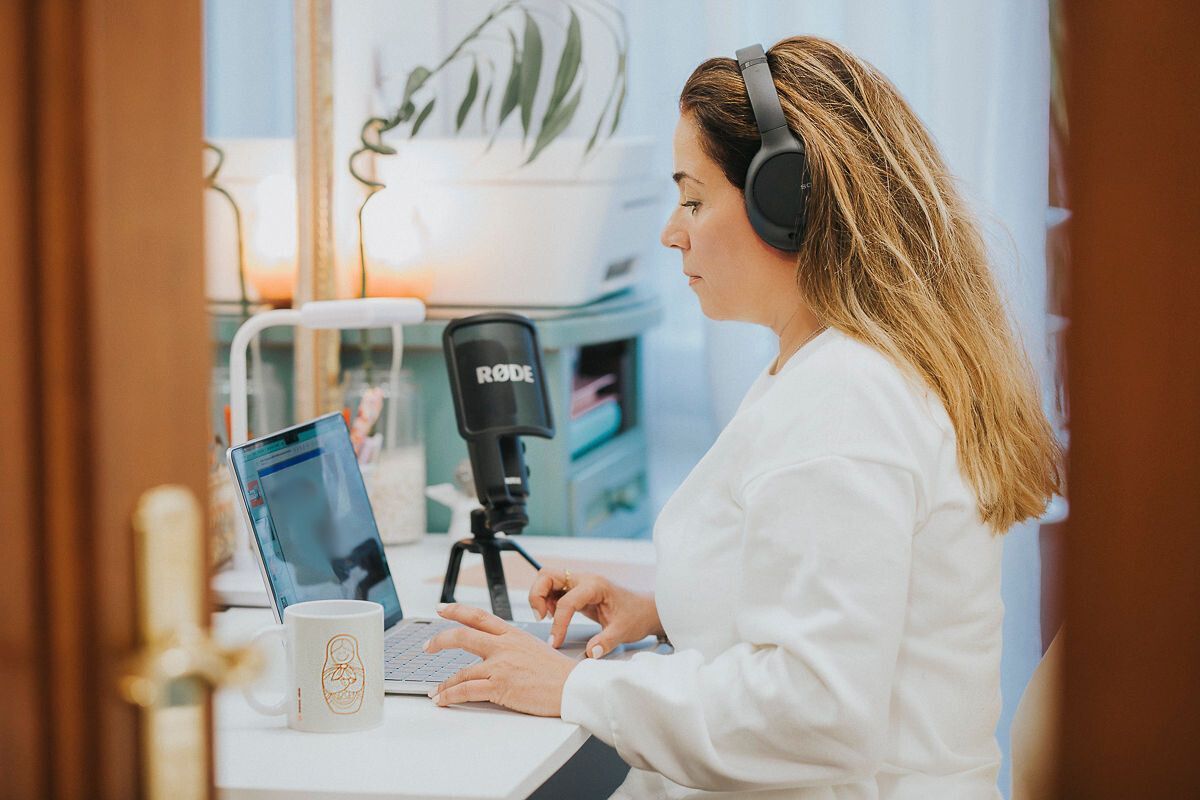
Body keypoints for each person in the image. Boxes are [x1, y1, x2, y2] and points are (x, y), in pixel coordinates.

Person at [424, 35, 1061, 799]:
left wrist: (569, 688)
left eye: (693, 198)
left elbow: (816, 714)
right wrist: (666, 612)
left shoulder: (849, 402)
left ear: (785, 199)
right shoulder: (831, 367)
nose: (672, 230)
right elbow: (838, 600)